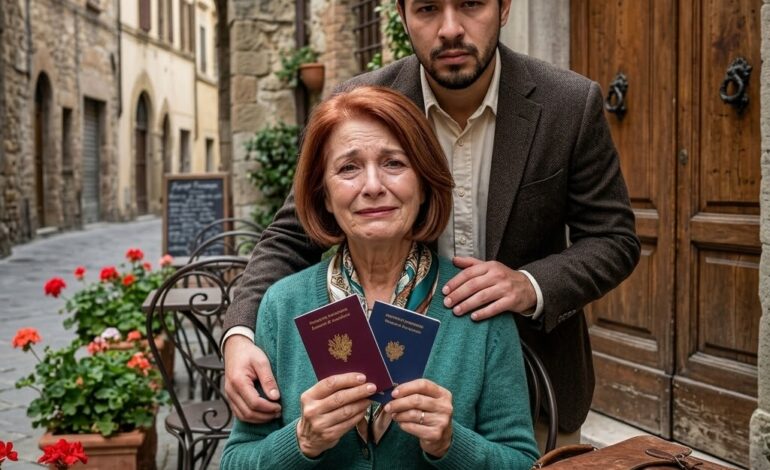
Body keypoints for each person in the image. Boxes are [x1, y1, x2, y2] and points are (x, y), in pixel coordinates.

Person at [223, 0, 641, 447]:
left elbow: (613, 238)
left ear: (503, 8)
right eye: (426, 9)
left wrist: (529, 284)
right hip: (390, 390)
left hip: (538, 383)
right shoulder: (361, 105)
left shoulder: (568, 104)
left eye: (470, 4)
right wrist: (240, 333)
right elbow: (291, 234)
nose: (450, 28)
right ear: (402, 15)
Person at [220, 86, 539, 468]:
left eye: (393, 163)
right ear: (324, 194)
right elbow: (236, 460)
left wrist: (451, 444)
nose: (373, 187)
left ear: (423, 185)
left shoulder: (476, 304)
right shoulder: (282, 304)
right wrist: (301, 441)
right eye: (348, 168)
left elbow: (522, 462)